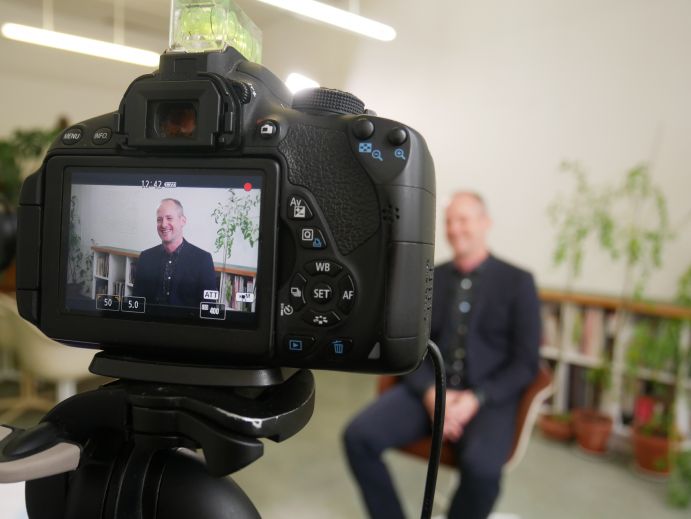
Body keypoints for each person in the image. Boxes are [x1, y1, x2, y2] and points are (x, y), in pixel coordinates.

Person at [343, 192, 541, 519]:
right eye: (449, 221)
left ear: (485, 223)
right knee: (358, 437)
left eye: (463, 219)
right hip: (429, 391)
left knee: (482, 468)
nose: (454, 228)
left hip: (486, 399)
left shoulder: (518, 282)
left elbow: (525, 363)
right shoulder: (429, 277)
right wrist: (430, 393)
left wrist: (476, 399)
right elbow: (408, 346)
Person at [133, 198, 218, 307]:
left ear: (182, 221)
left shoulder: (203, 260)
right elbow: (136, 301)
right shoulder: (145, 257)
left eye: (169, 218)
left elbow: (208, 306)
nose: (163, 224)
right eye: (159, 219)